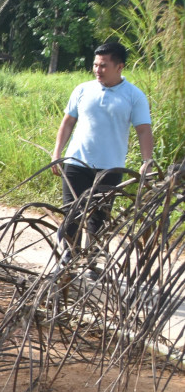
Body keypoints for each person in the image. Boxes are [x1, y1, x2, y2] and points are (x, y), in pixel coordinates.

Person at [51, 40, 154, 258]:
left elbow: (144, 130)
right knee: (72, 213)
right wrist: (57, 153)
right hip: (75, 163)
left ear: (119, 67)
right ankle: (69, 260)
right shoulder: (83, 89)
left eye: (104, 65)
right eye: (96, 65)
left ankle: (91, 263)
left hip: (110, 168)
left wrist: (147, 162)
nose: (98, 70)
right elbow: (68, 122)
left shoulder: (134, 96)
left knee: (100, 218)